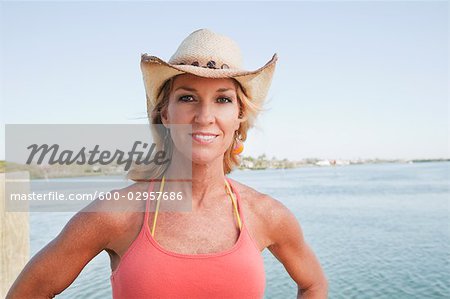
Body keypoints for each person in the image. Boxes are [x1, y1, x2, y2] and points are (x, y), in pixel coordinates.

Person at [7, 29, 328, 298]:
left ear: (239, 116)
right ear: (165, 114)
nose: (204, 117)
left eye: (223, 99)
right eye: (187, 97)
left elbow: (313, 284)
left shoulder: (266, 214)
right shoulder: (115, 214)